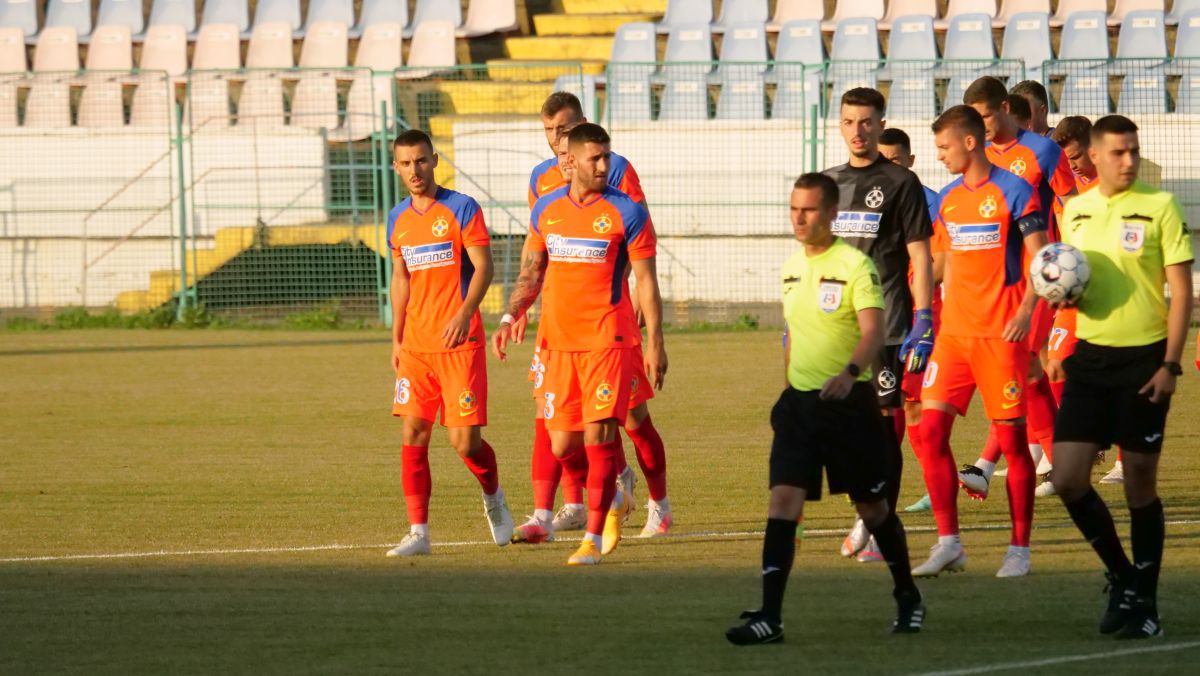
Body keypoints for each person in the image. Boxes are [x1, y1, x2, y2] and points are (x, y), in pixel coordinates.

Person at [725, 173, 924, 646]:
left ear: (832, 213)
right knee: (783, 504)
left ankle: (907, 593)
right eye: (794, 208)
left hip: (849, 406)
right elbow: (794, 335)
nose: (799, 217)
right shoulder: (791, 268)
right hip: (799, 408)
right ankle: (769, 616)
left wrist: (851, 372)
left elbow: (874, 330)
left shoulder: (856, 266)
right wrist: (789, 388)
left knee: (874, 510)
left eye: (809, 209)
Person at [493, 122, 667, 566]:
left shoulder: (627, 211)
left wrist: (655, 343)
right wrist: (511, 314)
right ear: (571, 160)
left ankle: (591, 537)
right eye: (595, 158)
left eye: (607, 156)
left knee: (600, 432)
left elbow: (646, 282)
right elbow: (532, 271)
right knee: (562, 446)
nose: (605, 165)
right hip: (557, 343)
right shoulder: (547, 209)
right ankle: (614, 496)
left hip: (608, 338)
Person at [1050, 114, 1193, 639]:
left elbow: (1181, 290)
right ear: (1093, 154)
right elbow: (1071, 280)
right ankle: (1122, 574)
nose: (1129, 160)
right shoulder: (1077, 211)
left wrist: (1170, 364)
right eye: (1118, 152)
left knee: (1138, 483)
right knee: (1066, 479)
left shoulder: (1160, 207)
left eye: (1133, 151)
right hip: (1090, 359)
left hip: (1145, 361)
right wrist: (1060, 334)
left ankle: (1146, 603)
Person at [912, 105, 1049, 578]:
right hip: (953, 336)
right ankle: (949, 542)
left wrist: (1027, 313)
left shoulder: (1015, 191)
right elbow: (943, 262)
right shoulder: (948, 200)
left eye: (944, 147)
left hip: (1000, 336)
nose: (940, 157)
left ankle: (1019, 549)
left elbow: (1040, 261)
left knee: (1013, 445)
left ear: (970, 142)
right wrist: (921, 312)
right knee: (930, 433)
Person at [385, 129, 514, 557]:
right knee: (413, 431)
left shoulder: (461, 208)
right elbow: (401, 279)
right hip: (418, 348)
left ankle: (493, 494)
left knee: (465, 442)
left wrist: (463, 314)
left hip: (460, 343)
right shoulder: (397, 217)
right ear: (395, 167)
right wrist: (397, 338)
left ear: (434, 160)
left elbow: (484, 267)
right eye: (405, 163)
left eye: (421, 161)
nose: (414, 170)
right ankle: (418, 532)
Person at [822, 88, 936, 563]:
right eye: (849, 121)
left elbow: (920, 254)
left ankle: (876, 519)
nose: (858, 131)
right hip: (836, 328)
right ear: (841, 124)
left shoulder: (900, 183)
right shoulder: (827, 183)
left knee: (886, 430)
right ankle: (866, 509)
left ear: (879, 122)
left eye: (866, 122)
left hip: (887, 327)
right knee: (843, 431)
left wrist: (924, 318)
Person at [956, 76, 1076, 501]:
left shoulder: (1043, 150)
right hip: (995, 281)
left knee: (1022, 360)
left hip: (1039, 276)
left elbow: (1070, 204)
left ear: (1005, 107)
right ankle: (1057, 459)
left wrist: (1069, 261)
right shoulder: (979, 154)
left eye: (986, 115)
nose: (981, 124)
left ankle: (1051, 463)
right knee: (1023, 371)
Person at [1045, 116, 1126, 488]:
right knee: (1055, 365)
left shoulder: (1113, 189)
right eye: (1067, 159)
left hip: (1109, 294)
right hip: (1073, 296)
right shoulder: (1064, 187)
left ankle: (1124, 460)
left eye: (1076, 156)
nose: (1072, 164)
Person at [877, 127, 945, 517]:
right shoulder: (868, 201)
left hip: (919, 319)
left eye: (896, 160)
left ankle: (935, 486)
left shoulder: (931, 203)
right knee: (885, 405)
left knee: (914, 407)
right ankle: (882, 478)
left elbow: (937, 264)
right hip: (879, 317)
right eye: (882, 160)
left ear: (911, 162)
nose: (889, 168)